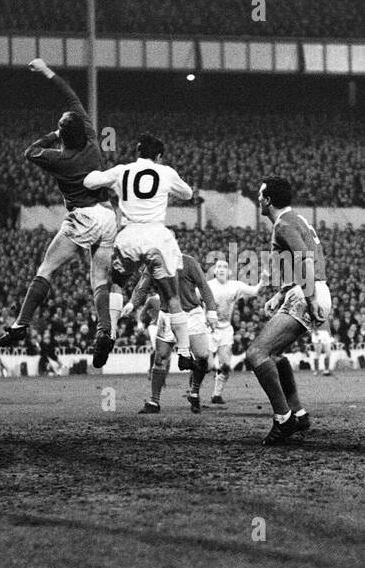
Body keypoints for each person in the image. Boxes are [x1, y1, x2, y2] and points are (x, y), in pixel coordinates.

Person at [0, 58, 119, 369]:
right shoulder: (92, 140)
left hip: (82, 218)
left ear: (64, 136)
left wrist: (54, 135)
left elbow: (30, 151)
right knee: (99, 279)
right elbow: (71, 97)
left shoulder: (58, 158)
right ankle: (105, 329)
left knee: (47, 268)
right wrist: (49, 71)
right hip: (107, 216)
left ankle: (21, 325)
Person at [84, 132, 196, 370]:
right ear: (158, 156)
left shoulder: (121, 170)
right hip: (157, 235)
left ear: (137, 152)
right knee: (172, 296)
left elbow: (90, 182)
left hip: (129, 234)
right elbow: (188, 194)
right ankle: (185, 351)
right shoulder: (165, 172)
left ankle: (110, 332)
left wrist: (96, 173)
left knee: (116, 283)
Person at [245, 177, 333, 446]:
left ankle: (284, 419)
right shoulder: (296, 219)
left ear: (268, 200)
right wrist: (281, 294)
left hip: (308, 291)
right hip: (306, 289)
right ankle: (298, 413)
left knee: (256, 354)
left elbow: (305, 258)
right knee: (274, 355)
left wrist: (309, 297)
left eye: (260, 195)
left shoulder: (283, 224)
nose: (258, 199)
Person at [124, 255, 217, 413]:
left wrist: (212, 310)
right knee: (160, 358)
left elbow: (203, 285)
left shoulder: (188, 262)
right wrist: (132, 303)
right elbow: (142, 286)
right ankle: (154, 401)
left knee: (202, 357)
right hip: (166, 315)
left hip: (191, 315)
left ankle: (194, 392)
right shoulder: (153, 264)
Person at [205, 259, 264, 404]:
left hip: (225, 329)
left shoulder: (235, 286)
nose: (221, 269)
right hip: (208, 328)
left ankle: (216, 395)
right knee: (205, 365)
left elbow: (255, 290)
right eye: (218, 266)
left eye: (225, 267)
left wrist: (263, 280)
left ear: (229, 271)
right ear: (214, 271)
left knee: (225, 365)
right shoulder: (207, 286)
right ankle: (194, 391)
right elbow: (194, 300)